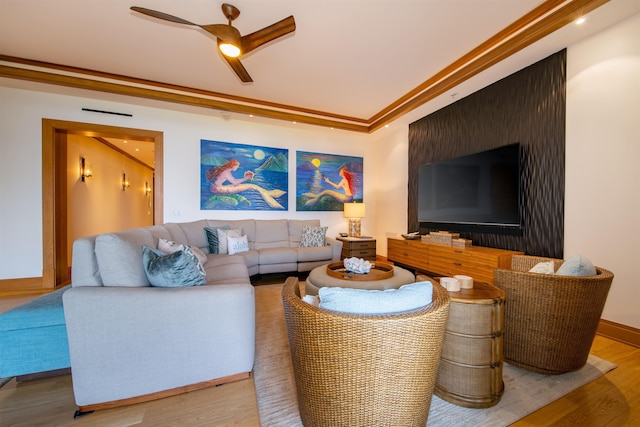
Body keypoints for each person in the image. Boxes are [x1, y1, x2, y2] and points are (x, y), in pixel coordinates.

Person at [206, 159, 285, 209]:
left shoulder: (225, 171)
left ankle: (267, 193)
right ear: (233, 166)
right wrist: (246, 178)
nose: (237, 168)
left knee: (252, 186)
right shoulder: (227, 172)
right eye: (237, 166)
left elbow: (234, 181)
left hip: (217, 188)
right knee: (251, 186)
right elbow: (235, 183)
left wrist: (245, 178)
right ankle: (268, 196)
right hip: (219, 189)